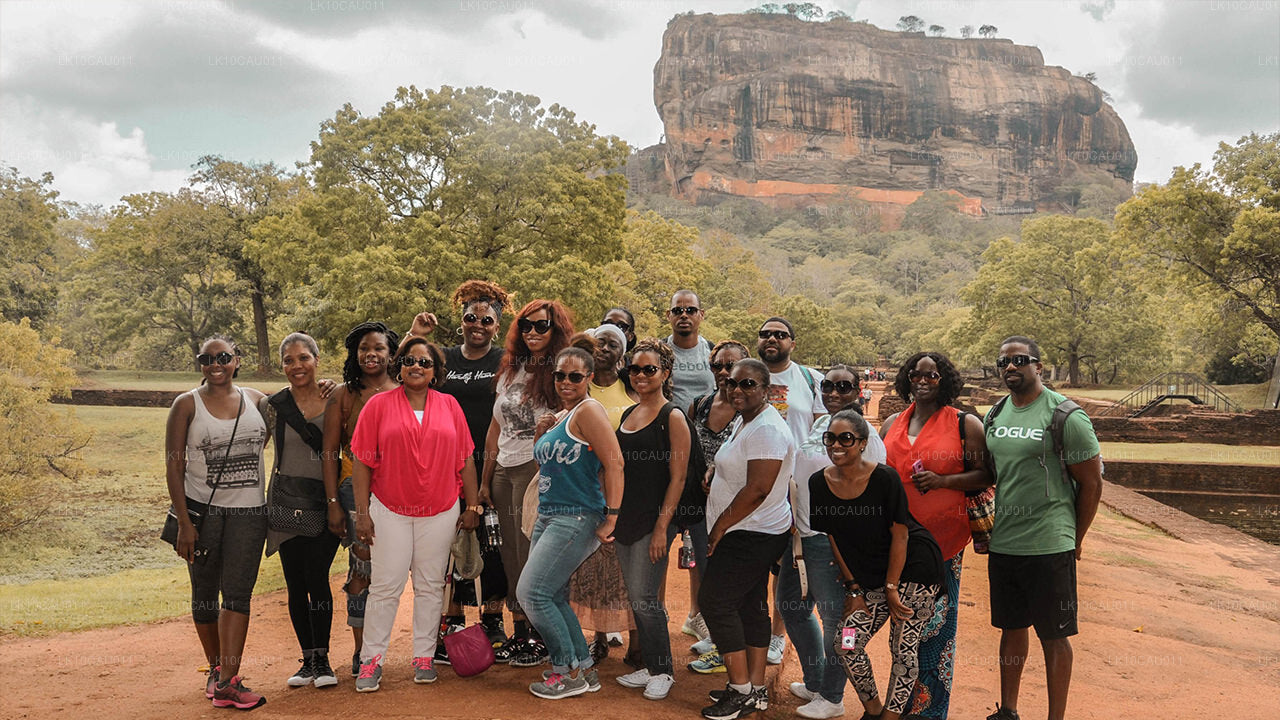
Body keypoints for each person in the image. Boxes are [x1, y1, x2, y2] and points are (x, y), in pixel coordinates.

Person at [350, 337, 482, 692]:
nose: (417, 367)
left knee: (429, 587)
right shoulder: (378, 405)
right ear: (400, 365)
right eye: (409, 360)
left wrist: (471, 506)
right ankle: (370, 662)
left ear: (436, 371)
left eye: (425, 362)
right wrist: (362, 514)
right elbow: (362, 463)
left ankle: (423, 656)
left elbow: (466, 459)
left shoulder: (450, 405)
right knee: (385, 586)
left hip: (440, 510)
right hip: (389, 510)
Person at [983, 337, 1102, 720]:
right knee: (1011, 627)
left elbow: (1092, 484)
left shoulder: (1066, 416)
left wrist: (1074, 538)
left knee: (1054, 634)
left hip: (1049, 543)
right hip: (1006, 541)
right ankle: (1009, 710)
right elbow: (991, 474)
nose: (1010, 368)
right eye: (1003, 362)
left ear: (1038, 365)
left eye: (1019, 360)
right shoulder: (996, 413)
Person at [879, 352, 992, 719]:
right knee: (902, 630)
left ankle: (929, 712)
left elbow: (985, 475)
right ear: (906, 379)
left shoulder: (965, 424)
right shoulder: (893, 422)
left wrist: (943, 481)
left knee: (935, 631)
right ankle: (898, 705)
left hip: (943, 545)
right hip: (897, 543)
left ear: (945, 380)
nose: (923, 380)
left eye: (932, 375)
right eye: (915, 374)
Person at [811, 410, 944, 720]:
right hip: (870, 578)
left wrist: (891, 588)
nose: (836, 445)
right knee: (846, 642)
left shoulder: (885, 478)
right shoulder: (819, 482)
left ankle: (891, 717)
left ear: (862, 443)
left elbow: (901, 535)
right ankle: (873, 711)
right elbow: (834, 537)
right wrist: (853, 588)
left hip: (914, 569)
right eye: (830, 438)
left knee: (902, 646)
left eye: (846, 438)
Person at [164, 336, 270, 709]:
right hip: (202, 513)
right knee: (205, 593)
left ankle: (228, 680)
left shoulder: (258, 401)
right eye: (207, 358)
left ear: (237, 360)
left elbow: (288, 420)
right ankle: (215, 668)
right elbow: (174, 466)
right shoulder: (185, 405)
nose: (216, 363)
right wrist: (185, 524)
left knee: (238, 594)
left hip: (250, 512)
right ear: (200, 363)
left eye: (223, 356)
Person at [519, 336, 625, 699]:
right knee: (555, 595)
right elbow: (549, 468)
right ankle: (585, 670)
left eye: (575, 377)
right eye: (560, 376)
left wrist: (611, 517)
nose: (566, 382)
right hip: (550, 514)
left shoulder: (589, 410)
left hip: (577, 516)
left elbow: (615, 463)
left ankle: (566, 672)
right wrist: (541, 434)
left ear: (589, 378)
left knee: (532, 594)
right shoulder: (564, 416)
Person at [782, 365, 888, 718]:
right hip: (800, 536)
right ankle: (815, 680)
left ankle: (832, 696)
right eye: (826, 385)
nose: (832, 392)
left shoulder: (866, 436)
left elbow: (873, 495)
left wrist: (852, 547)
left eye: (843, 386)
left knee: (837, 623)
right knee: (793, 608)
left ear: (858, 390)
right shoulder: (819, 426)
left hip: (833, 543)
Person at [479, 299, 575, 667]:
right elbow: (494, 430)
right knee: (510, 555)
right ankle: (522, 634)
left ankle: (542, 636)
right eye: (526, 325)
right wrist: (486, 480)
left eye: (542, 326)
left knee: (530, 553)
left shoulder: (561, 372)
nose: (532, 332)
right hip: (504, 470)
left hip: (536, 472)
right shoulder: (509, 371)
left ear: (556, 330)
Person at [698, 359, 795, 720]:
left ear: (766, 389)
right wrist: (715, 468)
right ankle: (754, 688)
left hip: (750, 532)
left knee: (715, 602)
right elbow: (739, 466)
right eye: (733, 383)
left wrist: (720, 526)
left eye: (748, 384)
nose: (737, 390)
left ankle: (738, 689)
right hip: (751, 530)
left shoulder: (767, 429)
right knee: (750, 605)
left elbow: (757, 489)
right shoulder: (746, 420)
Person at [429, 281, 513, 662]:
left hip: (492, 463)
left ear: (497, 325)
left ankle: (493, 617)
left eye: (487, 320)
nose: (477, 324)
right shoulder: (444, 358)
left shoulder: (504, 360)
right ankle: (454, 620)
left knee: (492, 542)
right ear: (460, 320)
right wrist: (417, 333)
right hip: (446, 465)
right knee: (451, 539)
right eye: (470, 317)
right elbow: (403, 365)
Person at [262, 332, 341, 689]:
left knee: (317, 577)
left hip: (325, 501)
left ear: (316, 359)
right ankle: (307, 659)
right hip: (285, 502)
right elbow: (251, 442)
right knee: (295, 583)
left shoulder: (334, 397)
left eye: (303, 358)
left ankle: (323, 659)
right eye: (289, 361)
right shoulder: (274, 406)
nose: (297, 366)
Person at [322, 322, 400, 678]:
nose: (371, 355)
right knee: (362, 568)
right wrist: (332, 503)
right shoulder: (344, 394)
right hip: (354, 487)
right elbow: (328, 453)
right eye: (364, 348)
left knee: (396, 571)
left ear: (391, 354)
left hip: (400, 489)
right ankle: (361, 650)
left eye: (379, 348)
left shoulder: (406, 388)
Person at [613, 339, 689, 700]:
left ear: (665, 373)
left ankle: (663, 670)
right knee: (635, 595)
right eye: (635, 369)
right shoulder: (629, 414)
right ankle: (650, 665)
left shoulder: (671, 416)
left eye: (649, 369)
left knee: (645, 597)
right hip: (627, 516)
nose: (641, 375)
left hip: (655, 520)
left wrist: (662, 527)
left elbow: (678, 477)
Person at [757, 316, 822, 666]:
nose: (772, 339)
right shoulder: (746, 374)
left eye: (780, 335)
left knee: (786, 564)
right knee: (751, 560)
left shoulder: (810, 380)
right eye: (765, 334)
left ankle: (777, 636)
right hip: (753, 484)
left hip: (794, 487)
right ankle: (749, 630)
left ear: (792, 343)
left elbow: (822, 430)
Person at [684, 340, 749, 673]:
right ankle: (717, 640)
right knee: (707, 572)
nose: (724, 372)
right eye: (717, 366)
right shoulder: (700, 405)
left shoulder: (748, 412)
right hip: (699, 506)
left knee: (728, 579)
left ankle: (729, 651)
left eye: (731, 366)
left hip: (734, 508)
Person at [577, 322, 639, 664]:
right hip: (586, 491)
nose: (604, 348)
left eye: (612, 343)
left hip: (625, 492)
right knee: (592, 570)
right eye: (599, 341)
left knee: (625, 571)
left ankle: (636, 642)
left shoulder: (632, 387)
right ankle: (598, 638)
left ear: (623, 352)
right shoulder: (579, 385)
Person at [664, 289, 716, 411]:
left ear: (701, 314)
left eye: (691, 310)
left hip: (705, 426)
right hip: (667, 425)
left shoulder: (713, 352)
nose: (684, 315)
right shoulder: (659, 351)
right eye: (677, 311)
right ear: (668, 315)